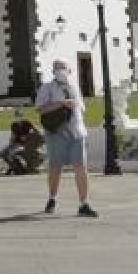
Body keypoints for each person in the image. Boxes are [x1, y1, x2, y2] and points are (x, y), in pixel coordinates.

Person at [35, 60, 97, 218]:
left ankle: (84, 203)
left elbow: (81, 108)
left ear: (69, 70)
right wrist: (61, 103)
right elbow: (41, 109)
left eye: (63, 68)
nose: (60, 70)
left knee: (81, 166)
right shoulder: (47, 88)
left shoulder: (75, 87)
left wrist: (76, 109)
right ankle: (52, 198)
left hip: (77, 132)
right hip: (56, 133)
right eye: (57, 68)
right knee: (56, 167)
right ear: (53, 71)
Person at [1, 109, 37, 175]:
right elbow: (13, 136)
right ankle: (14, 167)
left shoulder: (27, 123)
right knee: (3, 152)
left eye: (19, 115)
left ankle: (17, 168)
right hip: (16, 143)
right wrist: (10, 144)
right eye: (16, 116)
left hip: (25, 144)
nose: (18, 117)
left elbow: (35, 131)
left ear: (22, 116)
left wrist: (27, 136)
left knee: (12, 153)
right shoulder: (13, 125)